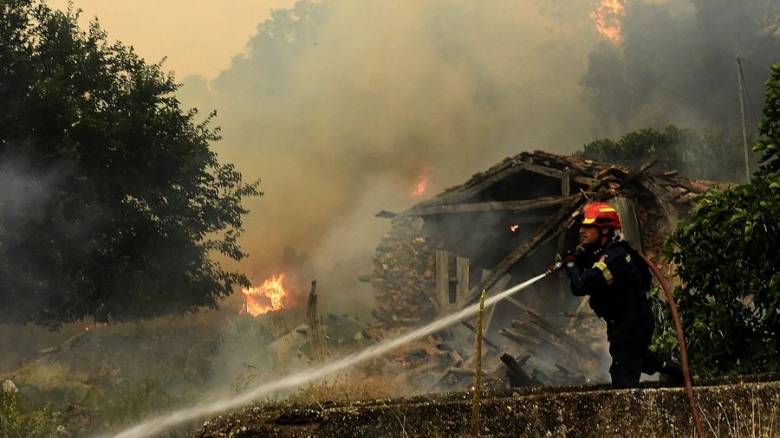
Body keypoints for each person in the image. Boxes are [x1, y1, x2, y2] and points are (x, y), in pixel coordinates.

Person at [561, 202, 680, 388]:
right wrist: (576, 260)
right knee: (637, 358)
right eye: (582, 226)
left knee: (622, 378)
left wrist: (570, 265)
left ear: (605, 231)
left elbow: (581, 285)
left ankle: (635, 414)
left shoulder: (615, 258)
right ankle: (671, 368)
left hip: (632, 326)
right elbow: (583, 279)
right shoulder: (601, 253)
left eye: (588, 227)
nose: (581, 231)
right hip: (622, 324)